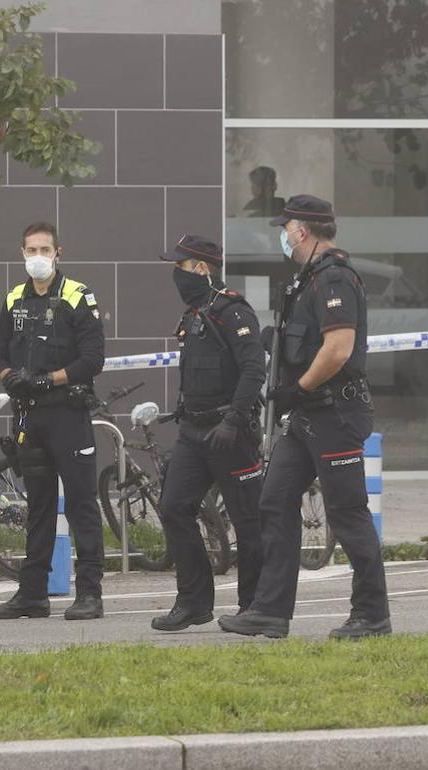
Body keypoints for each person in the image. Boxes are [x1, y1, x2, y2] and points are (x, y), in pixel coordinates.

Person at [219, 195, 391, 641]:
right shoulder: (308, 280)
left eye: (287, 226)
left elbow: (338, 348)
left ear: (303, 231)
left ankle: (372, 615)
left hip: (334, 412)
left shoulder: (333, 278)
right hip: (306, 416)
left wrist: (299, 388)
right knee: (274, 501)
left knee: (347, 513)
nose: (283, 234)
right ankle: (271, 612)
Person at [0, 222, 106, 621]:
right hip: (30, 416)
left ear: (59, 253)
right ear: (21, 253)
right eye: (31, 250)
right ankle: (32, 594)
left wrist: (46, 378)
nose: (38, 256)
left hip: (67, 414)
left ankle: (89, 593)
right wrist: (12, 380)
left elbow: (93, 360)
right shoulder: (15, 298)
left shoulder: (77, 296)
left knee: (81, 504)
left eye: (45, 249)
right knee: (37, 506)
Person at [151, 235, 265, 631]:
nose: (175, 274)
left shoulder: (231, 311)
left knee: (249, 521)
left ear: (202, 268)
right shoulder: (194, 312)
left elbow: (254, 370)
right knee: (174, 508)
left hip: (230, 433)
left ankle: (255, 606)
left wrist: (233, 421)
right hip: (195, 431)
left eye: (180, 266)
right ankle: (194, 602)